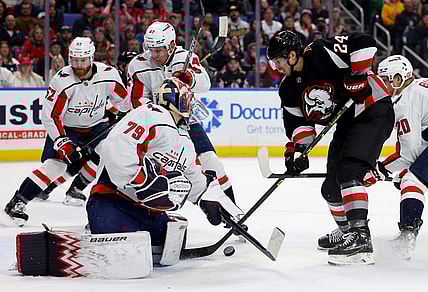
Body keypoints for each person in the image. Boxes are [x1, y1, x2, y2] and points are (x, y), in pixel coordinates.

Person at [266, 30, 394, 265]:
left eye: (278, 61)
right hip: (347, 121)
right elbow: (299, 125)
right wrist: (297, 153)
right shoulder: (288, 90)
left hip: (373, 109)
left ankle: (360, 237)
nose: (276, 67)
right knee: (331, 188)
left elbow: (363, 41)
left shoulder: (320, 52)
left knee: (350, 172)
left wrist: (358, 75)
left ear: (292, 55)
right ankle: (347, 232)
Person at [87, 78, 243, 265]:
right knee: (121, 254)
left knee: (163, 248)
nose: (190, 105)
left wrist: (208, 199)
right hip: (113, 200)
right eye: (187, 99)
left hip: (150, 211)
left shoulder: (184, 139)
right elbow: (117, 145)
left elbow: (192, 174)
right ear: (174, 100)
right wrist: (140, 180)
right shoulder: (152, 114)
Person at [2, 37, 131, 227]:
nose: (78, 66)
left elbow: (125, 103)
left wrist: (122, 111)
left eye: (83, 60)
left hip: (96, 125)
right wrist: (62, 141)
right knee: (55, 166)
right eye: (74, 60)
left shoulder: (109, 75)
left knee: (111, 158)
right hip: (69, 129)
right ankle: (16, 203)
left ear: (92, 58)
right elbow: (51, 116)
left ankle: (104, 207)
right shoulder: (62, 80)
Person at [127, 21, 238, 207]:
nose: (153, 55)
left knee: (212, 163)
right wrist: (159, 113)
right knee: (144, 169)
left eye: (159, 50)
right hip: (156, 127)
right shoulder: (138, 65)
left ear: (170, 46)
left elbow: (205, 84)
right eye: (150, 49)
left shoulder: (184, 58)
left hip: (186, 120)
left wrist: (190, 78)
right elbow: (138, 100)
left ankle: (232, 211)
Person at [365, 55, 427, 258]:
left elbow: (410, 152)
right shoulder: (418, 88)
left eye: (386, 79)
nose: (383, 85)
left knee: (412, 178)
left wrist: (380, 170)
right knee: (413, 176)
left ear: (399, 78)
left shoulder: (406, 101)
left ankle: (407, 236)